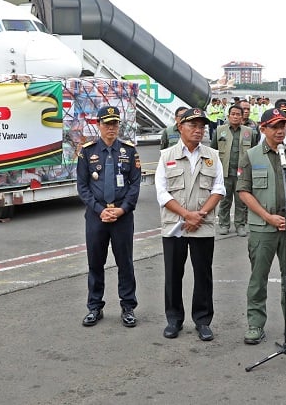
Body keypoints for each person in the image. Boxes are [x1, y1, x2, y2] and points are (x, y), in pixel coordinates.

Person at [237, 109, 286, 345]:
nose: (280, 131)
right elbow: (243, 191)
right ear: (263, 129)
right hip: (263, 228)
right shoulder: (251, 155)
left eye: (284, 126)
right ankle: (255, 324)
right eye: (274, 126)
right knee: (258, 279)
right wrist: (267, 217)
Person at [155, 108, 225, 341]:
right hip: (175, 224)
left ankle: (203, 320)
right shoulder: (167, 155)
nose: (198, 130)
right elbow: (162, 193)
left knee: (203, 274)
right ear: (180, 128)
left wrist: (200, 215)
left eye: (202, 126)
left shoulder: (213, 155)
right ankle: (174, 320)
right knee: (173, 274)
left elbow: (218, 189)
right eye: (193, 125)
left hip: (202, 224)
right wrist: (187, 214)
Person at [77, 106, 142, 327]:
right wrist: (99, 209)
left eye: (115, 124)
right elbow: (82, 186)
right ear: (99, 125)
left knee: (125, 263)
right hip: (97, 216)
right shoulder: (87, 151)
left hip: (122, 216)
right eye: (107, 124)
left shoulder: (129, 151)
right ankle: (94, 307)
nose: (111, 128)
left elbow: (135, 184)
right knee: (95, 263)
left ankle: (128, 307)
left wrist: (123, 209)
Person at [210, 104, 258, 237]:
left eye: (238, 114)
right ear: (228, 116)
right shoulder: (220, 130)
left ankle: (240, 225)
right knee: (224, 200)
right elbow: (213, 150)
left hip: (242, 173)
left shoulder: (249, 132)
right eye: (233, 114)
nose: (235, 116)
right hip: (225, 172)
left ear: (242, 117)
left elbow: (254, 152)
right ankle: (224, 224)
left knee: (241, 201)